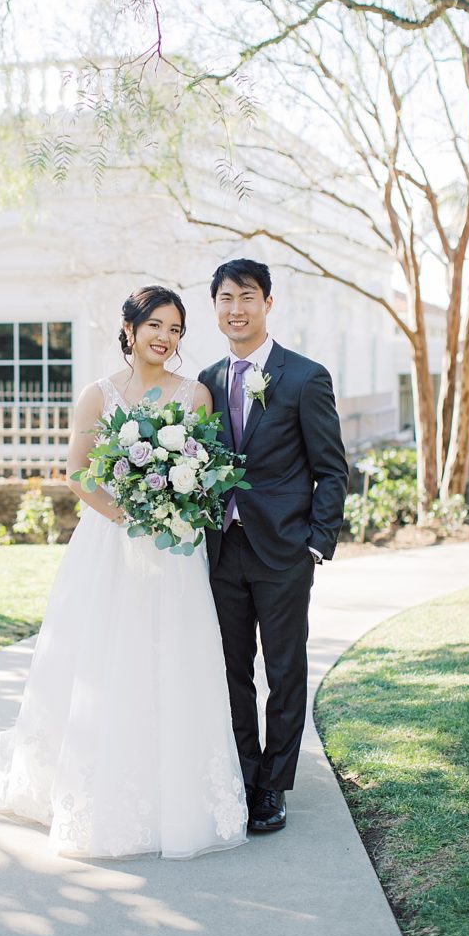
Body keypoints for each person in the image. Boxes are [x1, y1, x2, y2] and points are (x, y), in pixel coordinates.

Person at [0, 286, 248, 860]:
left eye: (175, 329)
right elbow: (76, 475)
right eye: (155, 326)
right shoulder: (98, 395)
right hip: (109, 544)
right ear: (130, 328)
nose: (165, 338)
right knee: (105, 656)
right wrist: (127, 514)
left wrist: (171, 509)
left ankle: (177, 794)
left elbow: (207, 469)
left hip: (173, 549)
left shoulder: (195, 397)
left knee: (172, 658)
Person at [198, 259, 348, 833]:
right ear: (214, 308)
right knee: (231, 671)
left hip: (284, 551)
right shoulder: (205, 383)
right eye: (226, 299)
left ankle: (273, 787)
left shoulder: (303, 377)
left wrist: (316, 543)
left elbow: (332, 469)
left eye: (248, 297)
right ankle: (243, 773)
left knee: (284, 671)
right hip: (220, 551)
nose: (236, 309)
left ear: (267, 303)